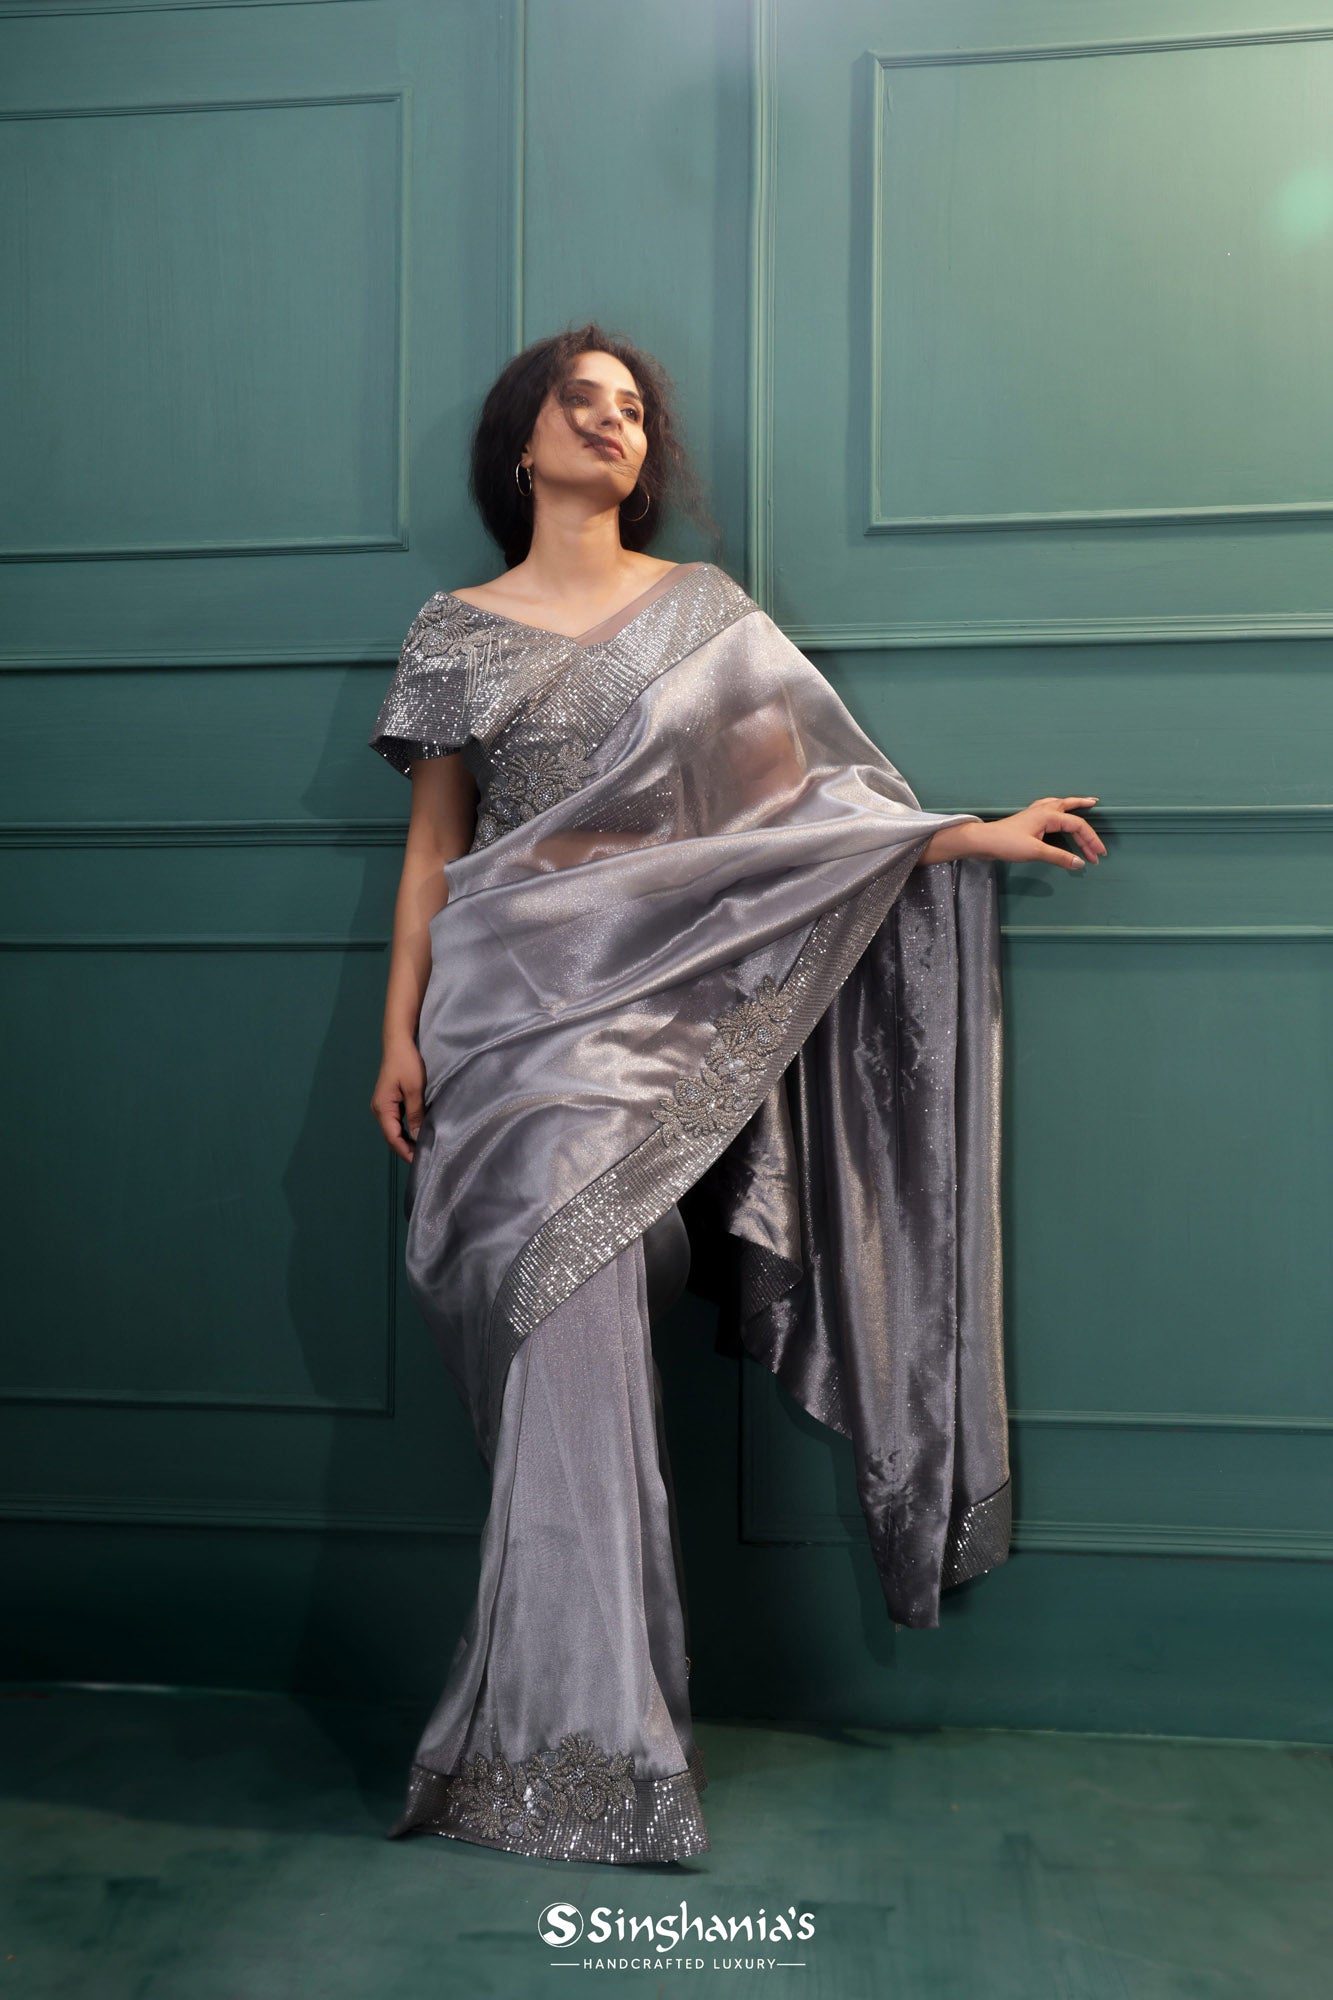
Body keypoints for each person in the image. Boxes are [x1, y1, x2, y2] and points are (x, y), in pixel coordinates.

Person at [367, 322, 1105, 1865]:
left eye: (633, 409)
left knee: (586, 1298)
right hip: (497, 1018)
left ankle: (590, 1751)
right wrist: (399, 1034)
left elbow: (809, 815)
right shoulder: (453, 631)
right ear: (521, 440)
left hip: (649, 1024)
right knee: (545, 1319)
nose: (612, 423)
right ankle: (561, 1742)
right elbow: (434, 846)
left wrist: (961, 834)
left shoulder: (704, 617)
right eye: (581, 402)